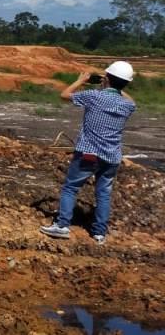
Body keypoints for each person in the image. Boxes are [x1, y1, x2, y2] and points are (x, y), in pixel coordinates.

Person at [40, 62, 137, 245]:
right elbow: (132, 101)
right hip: (112, 157)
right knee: (103, 194)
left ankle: (62, 226)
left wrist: (80, 81)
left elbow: (64, 95)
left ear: (106, 78)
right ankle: (99, 234)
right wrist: (116, 87)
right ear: (126, 83)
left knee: (71, 187)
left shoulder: (94, 96)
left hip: (88, 153)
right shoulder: (127, 106)